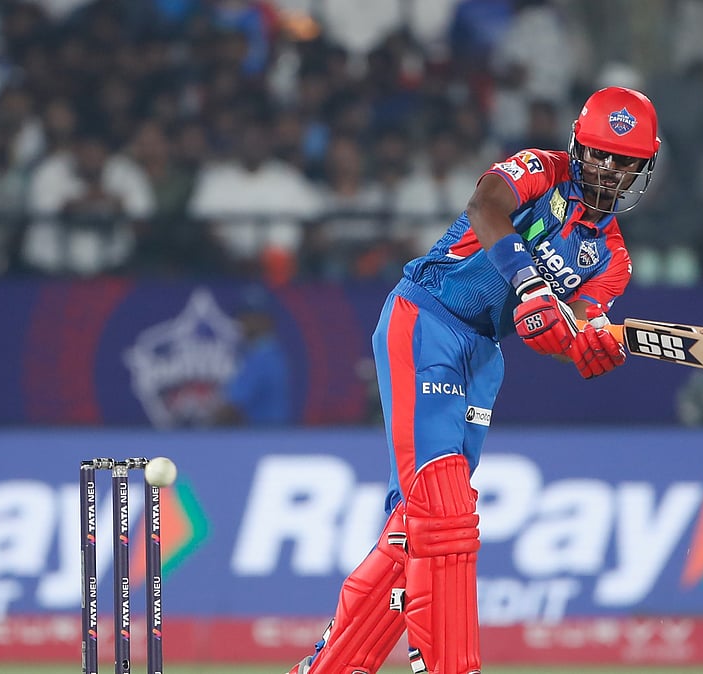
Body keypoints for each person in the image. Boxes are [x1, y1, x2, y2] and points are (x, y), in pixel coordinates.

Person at [288, 86, 661, 674]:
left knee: (415, 525)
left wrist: (587, 347)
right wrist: (528, 281)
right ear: (577, 146)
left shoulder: (614, 259)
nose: (607, 170)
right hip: (426, 317)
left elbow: (570, 325)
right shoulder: (541, 170)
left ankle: (329, 668)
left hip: (482, 356)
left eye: (624, 162)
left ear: (644, 168)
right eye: (598, 153)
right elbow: (485, 204)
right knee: (443, 509)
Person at [211, 285, 292, 426]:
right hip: (271, 435)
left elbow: (229, 409)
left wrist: (199, 427)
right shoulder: (272, 354)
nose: (241, 323)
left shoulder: (261, 358)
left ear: (264, 320)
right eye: (241, 317)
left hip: (260, 438)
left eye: (248, 317)